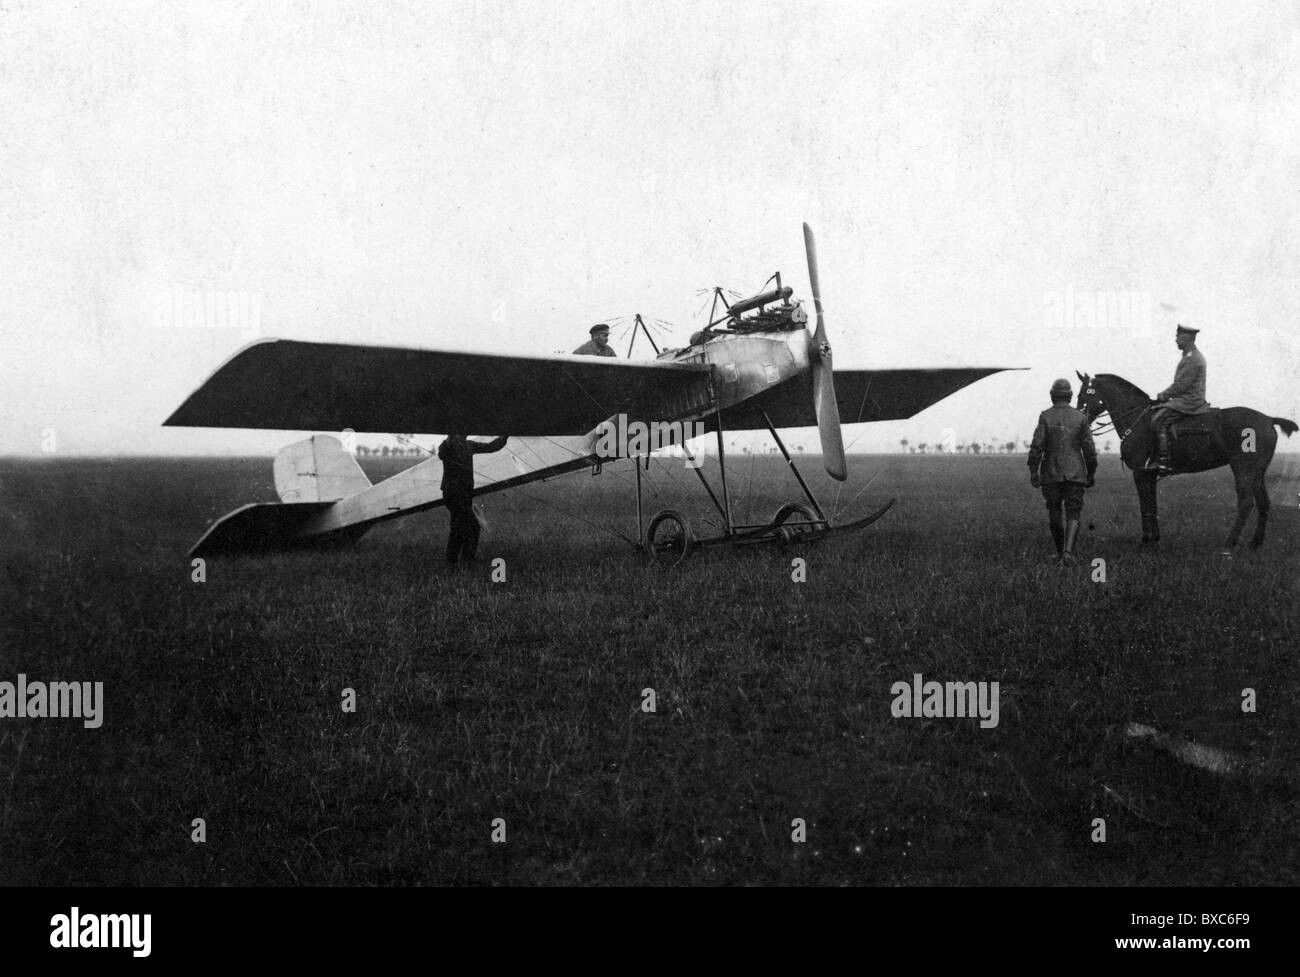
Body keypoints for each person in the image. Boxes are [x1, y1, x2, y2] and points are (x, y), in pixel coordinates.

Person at [1028, 378, 1098, 565]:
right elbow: (1090, 451)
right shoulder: (1081, 418)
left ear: (1052, 396)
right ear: (1070, 396)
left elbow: (1036, 447)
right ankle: (1068, 553)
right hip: (1075, 474)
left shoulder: (1045, 416)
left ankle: (1061, 553)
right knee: (1073, 512)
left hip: (1051, 474)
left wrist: (1033, 472)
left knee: (1054, 511)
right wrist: (1091, 473)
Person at [437, 432, 509, 565]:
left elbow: (491, 447)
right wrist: (450, 436)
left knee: (459, 526)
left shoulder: (469, 445)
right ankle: (465, 560)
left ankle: (453, 560)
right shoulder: (447, 446)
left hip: (464, 493)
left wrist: (504, 437)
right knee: (472, 526)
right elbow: (442, 453)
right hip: (453, 493)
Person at [1149, 324, 1207, 471]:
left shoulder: (1193, 358)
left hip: (1189, 401)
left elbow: (1181, 385)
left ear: (1186, 338)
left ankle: (1164, 460)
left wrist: (1164, 395)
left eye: (1177, 336)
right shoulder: (1189, 356)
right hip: (1184, 399)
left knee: (1157, 420)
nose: (1175, 340)